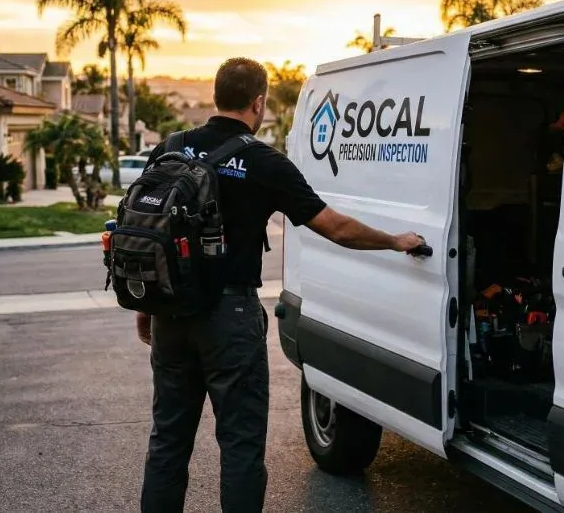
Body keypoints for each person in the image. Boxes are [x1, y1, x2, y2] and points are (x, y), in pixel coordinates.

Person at [137, 57, 426, 513]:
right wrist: (394, 240)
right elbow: (337, 229)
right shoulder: (264, 162)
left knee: (168, 441)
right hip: (229, 319)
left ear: (216, 96)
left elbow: (151, 232)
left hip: (171, 313)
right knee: (240, 444)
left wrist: (148, 307)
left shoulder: (171, 147)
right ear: (259, 103)